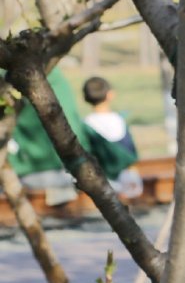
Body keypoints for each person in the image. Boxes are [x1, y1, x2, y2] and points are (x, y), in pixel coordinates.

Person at [4, 65, 138, 205]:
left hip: (33, 173)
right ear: (110, 95)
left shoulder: (13, 73)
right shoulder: (51, 73)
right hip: (71, 170)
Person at [80, 76, 144, 201]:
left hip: (101, 178)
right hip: (127, 177)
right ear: (110, 95)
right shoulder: (120, 120)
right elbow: (130, 152)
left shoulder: (85, 124)